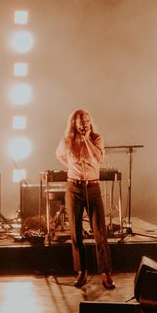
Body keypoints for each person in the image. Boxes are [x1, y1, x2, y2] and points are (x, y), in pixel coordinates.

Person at [55, 108, 113, 289]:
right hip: (74, 188)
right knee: (76, 233)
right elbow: (60, 155)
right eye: (81, 121)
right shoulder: (67, 141)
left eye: (87, 120)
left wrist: (86, 139)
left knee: (100, 233)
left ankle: (105, 273)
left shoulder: (96, 139)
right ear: (74, 123)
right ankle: (82, 271)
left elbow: (99, 158)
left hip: (93, 187)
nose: (85, 123)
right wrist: (72, 167)